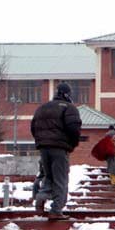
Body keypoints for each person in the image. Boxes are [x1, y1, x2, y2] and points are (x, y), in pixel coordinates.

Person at [31, 82, 82, 220]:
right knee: (61, 179)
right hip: (60, 148)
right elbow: (74, 129)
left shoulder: (42, 107)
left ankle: (41, 197)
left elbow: (33, 127)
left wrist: (41, 142)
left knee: (49, 176)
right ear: (67, 94)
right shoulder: (69, 108)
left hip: (43, 148)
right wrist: (71, 145)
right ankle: (56, 210)